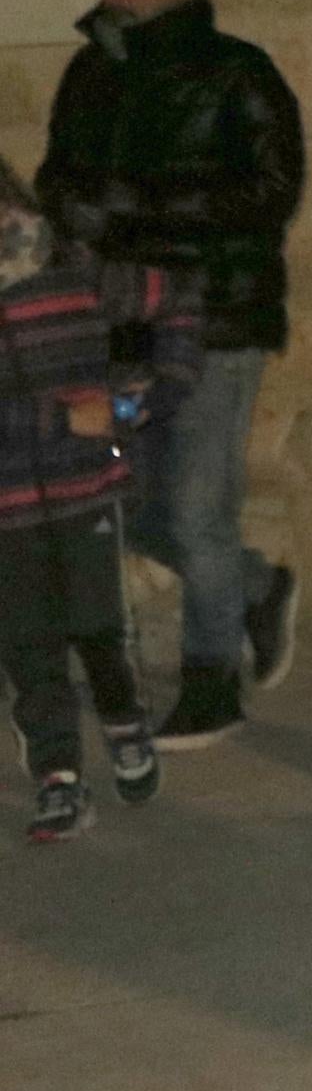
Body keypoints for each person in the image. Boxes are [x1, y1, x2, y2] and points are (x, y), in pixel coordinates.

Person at [33, 0, 304, 749]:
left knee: (198, 511)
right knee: (135, 506)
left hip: (217, 317)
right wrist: (68, 209)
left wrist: (141, 212)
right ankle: (257, 588)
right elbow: (57, 173)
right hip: (120, 321)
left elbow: (268, 193)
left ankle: (211, 680)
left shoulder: (238, 72)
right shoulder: (91, 72)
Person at [1, 159, 196, 842]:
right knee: (26, 641)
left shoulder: (70, 268)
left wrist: (150, 392)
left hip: (83, 487)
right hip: (6, 503)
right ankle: (57, 774)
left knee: (96, 623)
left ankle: (124, 720)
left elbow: (176, 297)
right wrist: (63, 418)